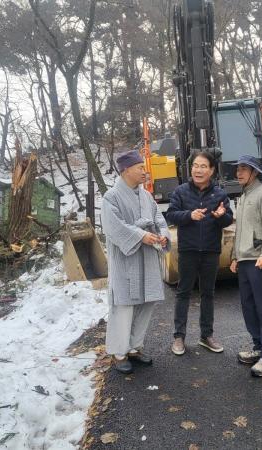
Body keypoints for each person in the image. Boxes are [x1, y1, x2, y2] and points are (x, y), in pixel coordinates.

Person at [101, 150, 171, 374]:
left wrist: (162, 235)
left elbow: (159, 218)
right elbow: (114, 228)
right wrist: (141, 235)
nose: (144, 171)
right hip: (126, 259)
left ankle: (134, 347)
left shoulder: (146, 196)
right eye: (140, 167)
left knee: (145, 303)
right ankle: (119, 352)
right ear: (126, 170)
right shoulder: (110, 197)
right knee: (124, 304)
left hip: (148, 256)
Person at [166, 151, 233, 356]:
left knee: (208, 294)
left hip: (211, 250)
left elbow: (228, 219)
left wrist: (221, 216)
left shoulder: (220, 194)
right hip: (188, 250)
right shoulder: (181, 191)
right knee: (183, 292)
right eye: (196, 165)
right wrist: (189, 215)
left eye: (203, 166)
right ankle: (179, 337)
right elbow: (171, 214)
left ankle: (206, 335)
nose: (198, 170)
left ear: (211, 170)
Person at [229, 155, 262, 377]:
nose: (238, 173)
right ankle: (258, 346)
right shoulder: (243, 196)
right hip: (244, 259)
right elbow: (239, 230)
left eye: (243, 169)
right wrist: (234, 256)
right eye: (237, 169)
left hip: (260, 260)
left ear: (254, 172)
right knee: (248, 306)